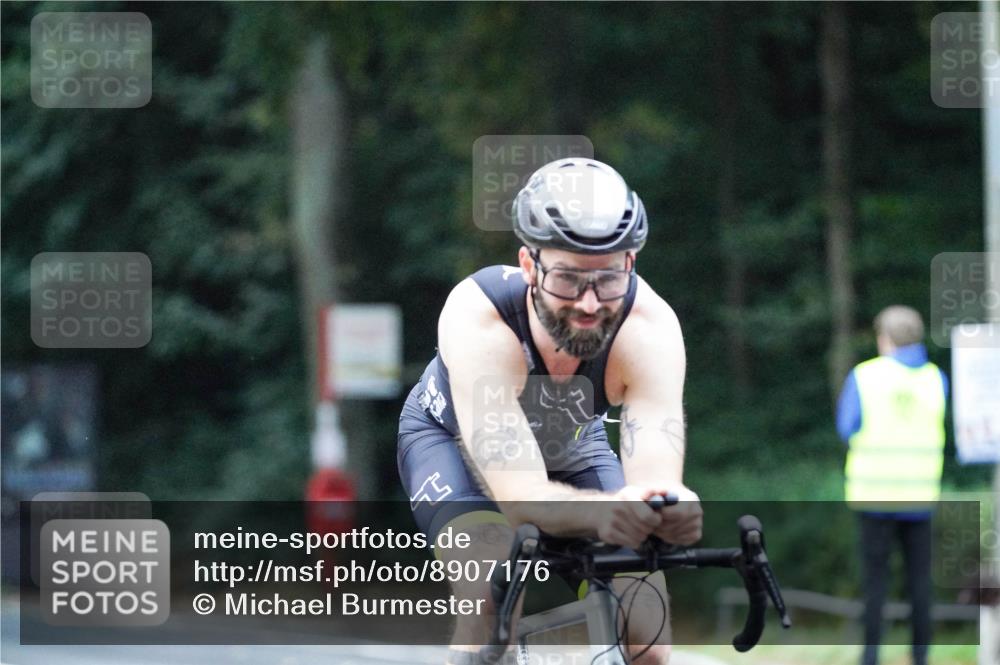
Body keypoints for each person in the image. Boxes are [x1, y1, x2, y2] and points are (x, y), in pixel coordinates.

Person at [398, 158, 702, 665]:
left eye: (607, 279)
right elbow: (519, 499)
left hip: (573, 445)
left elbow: (651, 475)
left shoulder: (649, 328)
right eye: (567, 278)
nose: (588, 303)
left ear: (630, 265)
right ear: (528, 265)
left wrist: (666, 502)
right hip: (456, 450)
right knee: (490, 597)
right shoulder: (481, 317)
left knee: (649, 636)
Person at [836, 305, 949, 665]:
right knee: (920, 584)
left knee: (875, 584)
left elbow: (846, 427)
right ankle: (921, 656)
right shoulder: (936, 378)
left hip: (874, 496)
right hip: (920, 496)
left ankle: (870, 657)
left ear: (884, 338)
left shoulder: (865, 376)